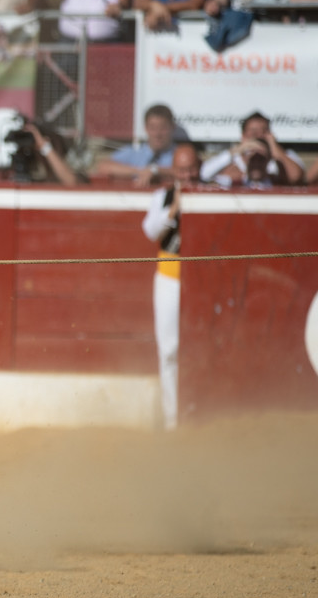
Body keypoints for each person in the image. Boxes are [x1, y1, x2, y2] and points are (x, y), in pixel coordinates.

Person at [141, 141, 202, 430]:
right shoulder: (163, 196)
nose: (187, 175)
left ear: (199, 168)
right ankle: (172, 420)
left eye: (191, 169)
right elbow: (150, 230)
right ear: (174, 170)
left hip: (203, 282)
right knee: (169, 349)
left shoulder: (212, 192)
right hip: (169, 279)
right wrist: (175, 207)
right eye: (182, 170)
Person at [200, 110, 305, 186]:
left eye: (263, 131)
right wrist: (238, 150)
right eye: (253, 132)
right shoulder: (232, 159)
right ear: (243, 136)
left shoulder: (281, 156)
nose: (258, 136)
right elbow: (204, 174)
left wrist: (274, 148)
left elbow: (296, 177)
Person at [93, 103, 178, 184]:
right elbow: (103, 167)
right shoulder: (136, 151)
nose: (157, 134)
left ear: (172, 127)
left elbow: (184, 172)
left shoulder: (180, 153)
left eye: (162, 128)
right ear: (146, 128)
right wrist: (140, 172)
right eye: (152, 128)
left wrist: (156, 171)